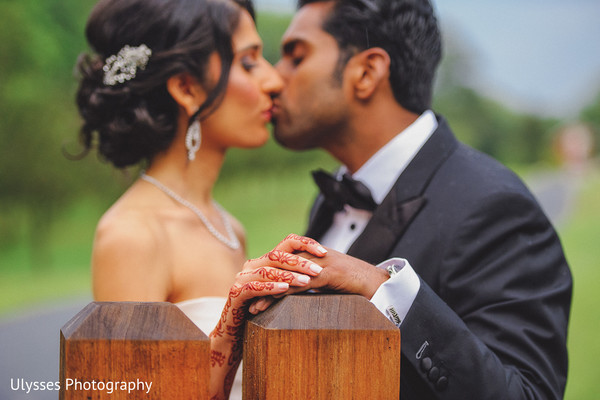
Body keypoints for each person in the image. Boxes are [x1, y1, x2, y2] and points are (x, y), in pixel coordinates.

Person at [269, 0, 573, 399]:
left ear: (367, 72)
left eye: (296, 56)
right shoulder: (329, 200)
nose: (273, 79)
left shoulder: (495, 206)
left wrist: (386, 291)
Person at [74, 0, 327, 398]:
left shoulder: (230, 229)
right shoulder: (131, 236)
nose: (274, 81)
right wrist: (227, 332)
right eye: (248, 62)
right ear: (187, 89)